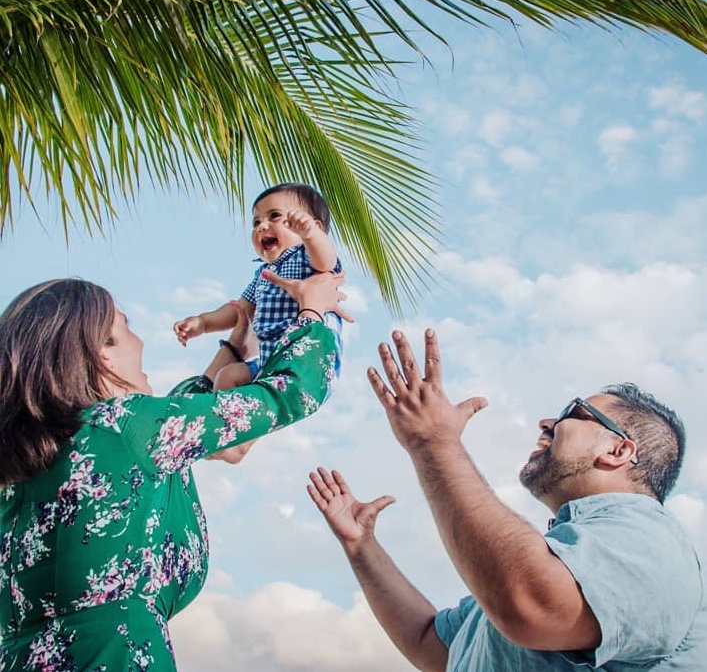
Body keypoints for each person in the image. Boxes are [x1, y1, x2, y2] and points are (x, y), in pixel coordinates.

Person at [0, 271, 349, 671]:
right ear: (102, 351)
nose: (141, 340)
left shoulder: (27, 463)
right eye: (125, 326)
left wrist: (234, 345)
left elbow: (176, 418)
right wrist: (313, 312)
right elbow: (287, 393)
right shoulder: (125, 426)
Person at [308, 329, 707, 671]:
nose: (547, 422)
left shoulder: (649, 540)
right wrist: (362, 546)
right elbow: (434, 646)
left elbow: (533, 607)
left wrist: (432, 442)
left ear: (618, 451)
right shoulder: (560, 556)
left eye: (574, 412)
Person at [173, 183, 344, 391]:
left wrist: (312, 236)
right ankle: (230, 420)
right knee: (227, 375)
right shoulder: (263, 274)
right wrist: (203, 322)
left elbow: (326, 261)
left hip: (310, 356)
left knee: (234, 375)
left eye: (274, 216)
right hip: (269, 360)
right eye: (256, 222)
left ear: (314, 226)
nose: (261, 226)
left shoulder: (306, 255)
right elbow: (239, 309)